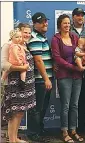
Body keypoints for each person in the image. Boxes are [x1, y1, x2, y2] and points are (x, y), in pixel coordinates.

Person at [51, 14, 84, 143]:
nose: (67, 25)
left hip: (77, 76)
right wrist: (72, 67)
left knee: (74, 105)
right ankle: (64, 131)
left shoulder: (74, 37)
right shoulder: (56, 39)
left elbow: (80, 51)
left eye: (68, 23)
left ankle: (73, 130)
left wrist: (82, 65)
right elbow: (57, 58)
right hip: (64, 75)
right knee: (65, 105)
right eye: (64, 23)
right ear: (59, 25)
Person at [1, 23, 36, 143]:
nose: (26, 35)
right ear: (18, 32)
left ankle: (15, 137)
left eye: (28, 33)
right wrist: (21, 69)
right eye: (24, 32)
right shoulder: (8, 45)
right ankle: (11, 140)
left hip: (26, 86)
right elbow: (3, 65)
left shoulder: (25, 45)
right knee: (14, 113)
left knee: (20, 112)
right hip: (14, 85)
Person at [27, 12, 53, 142]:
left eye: (46, 21)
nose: (45, 23)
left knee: (42, 107)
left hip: (45, 79)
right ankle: (33, 133)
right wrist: (46, 79)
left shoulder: (41, 37)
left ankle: (38, 129)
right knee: (37, 108)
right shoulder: (35, 38)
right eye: (42, 21)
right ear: (34, 24)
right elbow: (38, 61)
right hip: (40, 80)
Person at [71, 8, 85, 134]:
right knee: (72, 102)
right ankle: (70, 128)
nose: (80, 17)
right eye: (77, 15)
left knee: (84, 99)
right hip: (71, 71)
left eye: (82, 15)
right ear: (73, 17)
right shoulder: (67, 30)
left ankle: (82, 128)